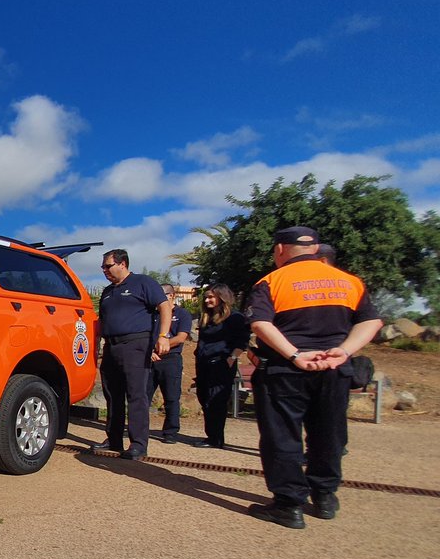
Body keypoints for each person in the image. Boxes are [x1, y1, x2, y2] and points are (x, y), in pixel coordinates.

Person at [246, 226, 382, 529]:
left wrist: (295, 354)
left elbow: (260, 324)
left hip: (284, 371)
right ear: (316, 248)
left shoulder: (271, 281)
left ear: (280, 249)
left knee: (282, 436)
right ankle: (324, 496)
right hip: (334, 370)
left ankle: (288, 504)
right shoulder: (349, 282)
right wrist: (343, 351)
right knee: (329, 433)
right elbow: (371, 321)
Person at [90, 249, 173, 459]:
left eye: (108, 266)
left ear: (123, 264)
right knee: (112, 395)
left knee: (136, 395)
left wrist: (163, 336)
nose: (104, 270)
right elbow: (102, 321)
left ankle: (138, 443)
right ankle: (114, 440)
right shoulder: (108, 291)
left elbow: (164, 306)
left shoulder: (143, 283)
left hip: (135, 344)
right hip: (111, 347)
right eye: (102, 267)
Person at [192, 284, 249, 448]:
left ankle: (216, 439)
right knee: (204, 398)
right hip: (204, 364)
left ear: (221, 298)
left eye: (211, 297)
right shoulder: (206, 318)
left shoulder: (235, 317)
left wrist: (231, 358)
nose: (208, 300)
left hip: (221, 364)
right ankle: (211, 435)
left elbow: (242, 341)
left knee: (216, 400)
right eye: (206, 297)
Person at [147, 284, 192, 443]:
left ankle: (171, 432)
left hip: (171, 359)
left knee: (172, 397)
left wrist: (160, 346)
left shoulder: (182, 314)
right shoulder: (153, 314)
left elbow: (181, 337)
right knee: (144, 396)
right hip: (151, 359)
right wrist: (150, 351)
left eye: (162, 294)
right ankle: (141, 429)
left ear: (171, 295)